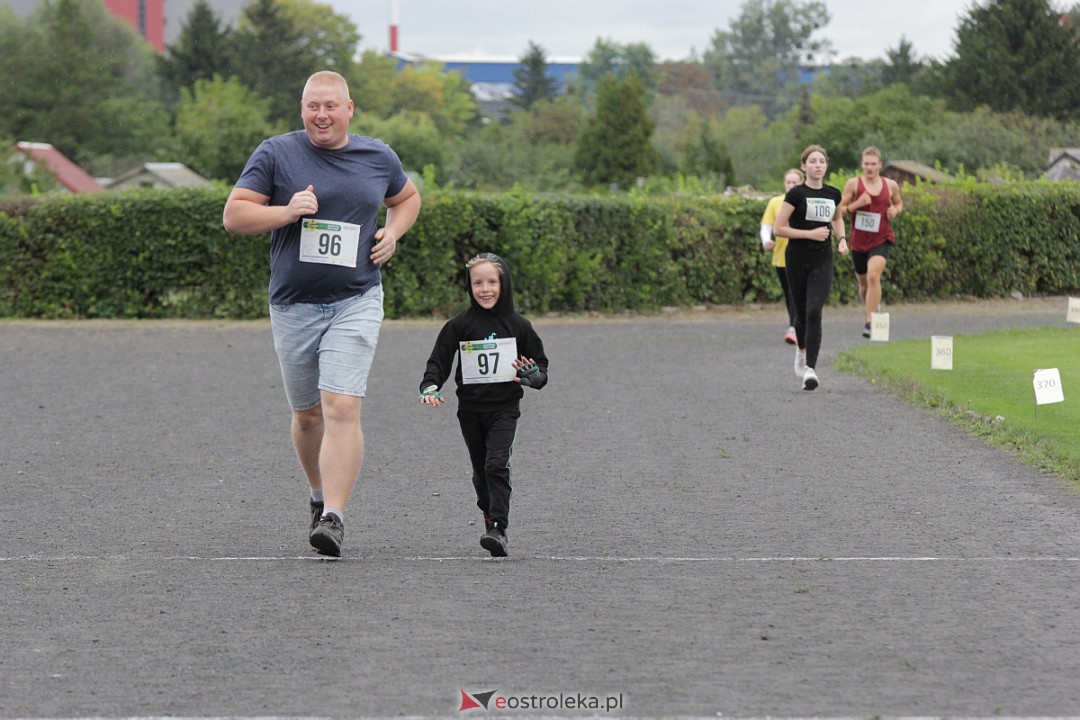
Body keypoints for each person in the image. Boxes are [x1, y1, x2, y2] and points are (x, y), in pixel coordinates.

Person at [222, 70, 421, 557]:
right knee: (308, 415)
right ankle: (316, 495)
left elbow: (408, 198)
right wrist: (286, 212)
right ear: (302, 109)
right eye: (313, 106)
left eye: (330, 106)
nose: (321, 115)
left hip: (356, 299)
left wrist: (393, 233)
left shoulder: (378, 156)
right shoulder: (276, 153)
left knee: (342, 407)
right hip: (293, 306)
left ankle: (334, 516)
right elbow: (234, 215)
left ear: (349, 109)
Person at [417, 253, 548, 558]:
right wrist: (430, 385)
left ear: (504, 284)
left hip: (504, 408)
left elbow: (541, 368)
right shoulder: (460, 325)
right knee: (480, 471)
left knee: (496, 464)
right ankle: (490, 516)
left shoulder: (519, 325)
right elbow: (440, 360)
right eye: (478, 282)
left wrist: (534, 376)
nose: (485, 289)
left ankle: (499, 528)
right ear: (469, 286)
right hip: (470, 411)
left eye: (492, 282)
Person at [774, 145, 848, 391]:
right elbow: (778, 228)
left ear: (826, 166)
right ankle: (801, 351)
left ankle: (810, 369)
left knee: (815, 310)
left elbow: (837, 218)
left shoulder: (833, 194)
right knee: (801, 312)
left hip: (822, 259)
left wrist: (842, 240)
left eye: (822, 161)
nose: (818, 165)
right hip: (796, 258)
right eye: (813, 161)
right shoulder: (796, 194)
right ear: (804, 166)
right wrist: (810, 233)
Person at [840, 146, 903, 338]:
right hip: (859, 241)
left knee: (874, 276)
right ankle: (873, 305)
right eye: (866, 164)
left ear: (880, 165)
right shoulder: (853, 184)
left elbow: (898, 202)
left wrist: (895, 211)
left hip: (881, 238)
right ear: (861, 164)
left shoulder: (890, 185)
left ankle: (870, 322)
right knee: (865, 286)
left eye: (873, 164)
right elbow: (840, 211)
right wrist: (857, 204)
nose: (869, 168)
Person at [760, 168, 805, 344]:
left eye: (795, 182)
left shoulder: (807, 201)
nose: (791, 185)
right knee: (790, 293)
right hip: (781, 256)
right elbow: (766, 226)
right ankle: (795, 324)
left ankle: (794, 327)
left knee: (797, 292)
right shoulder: (776, 202)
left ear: (801, 182)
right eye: (788, 182)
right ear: (784, 184)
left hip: (803, 255)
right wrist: (766, 241)